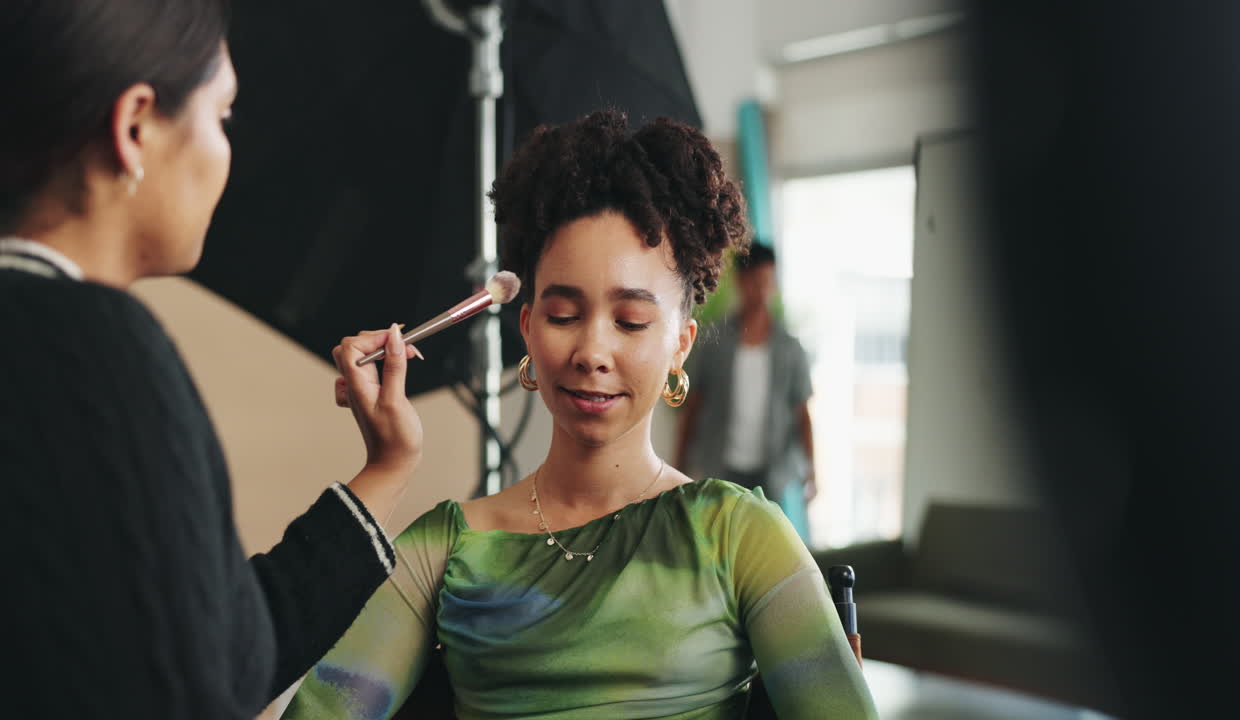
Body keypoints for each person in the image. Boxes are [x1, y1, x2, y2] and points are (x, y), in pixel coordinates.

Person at [283, 110, 876, 719]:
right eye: (564, 315)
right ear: (527, 328)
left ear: (680, 344)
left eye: (631, 321)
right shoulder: (448, 547)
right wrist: (386, 465)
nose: (592, 351)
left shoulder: (740, 536)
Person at [0, 2, 425, 716]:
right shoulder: (95, 348)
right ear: (136, 127)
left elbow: (221, 649)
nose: (229, 151)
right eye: (222, 116)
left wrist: (386, 469)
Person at [675, 243, 818, 542]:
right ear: (741, 281)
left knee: (766, 545)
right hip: (721, 466)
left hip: (772, 473)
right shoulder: (714, 342)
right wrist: (680, 465)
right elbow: (694, 407)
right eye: (755, 281)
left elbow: (802, 413)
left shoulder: (790, 348)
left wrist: (811, 470)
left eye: (768, 281)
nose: (762, 290)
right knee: (719, 541)